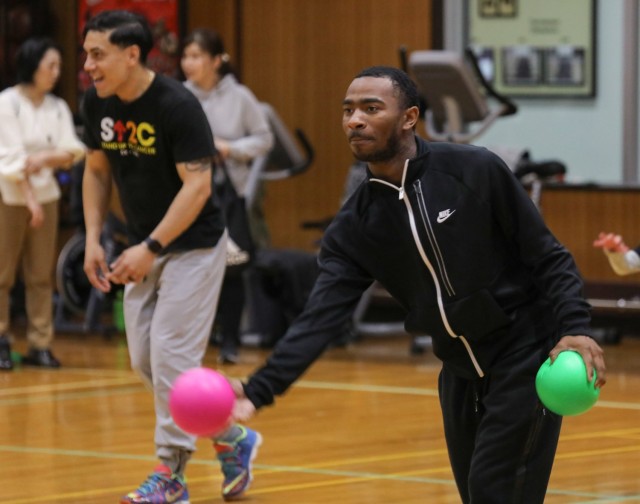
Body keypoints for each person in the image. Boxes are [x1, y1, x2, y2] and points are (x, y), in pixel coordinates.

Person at [229, 66, 607, 503]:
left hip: (524, 354)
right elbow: (319, 319)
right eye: (348, 110)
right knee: (474, 493)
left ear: (409, 117)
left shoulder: (474, 170)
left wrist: (575, 327)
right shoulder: (354, 227)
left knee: (495, 491)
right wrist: (260, 388)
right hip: (459, 372)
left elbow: (547, 254)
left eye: (371, 108)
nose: (355, 120)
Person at [80, 11, 260, 503]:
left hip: (194, 248)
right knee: (147, 361)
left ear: (132, 54)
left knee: (172, 357)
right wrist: (95, 237)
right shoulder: (95, 104)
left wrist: (151, 247)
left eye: (98, 54)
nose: (88, 65)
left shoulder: (176, 106)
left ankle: (171, 474)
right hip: (142, 246)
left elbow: (198, 186)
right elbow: (96, 171)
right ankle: (230, 436)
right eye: (86, 54)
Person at [180, 28, 274, 364]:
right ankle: (197, 340)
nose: (188, 64)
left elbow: (264, 140)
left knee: (232, 265)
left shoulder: (240, 96)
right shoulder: (180, 95)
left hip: (229, 194)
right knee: (192, 264)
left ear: (217, 60)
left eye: (196, 56)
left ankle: (230, 341)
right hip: (190, 193)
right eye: (186, 56)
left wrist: (229, 148)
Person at [0, 36, 86, 371]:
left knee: (39, 274)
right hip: (8, 196)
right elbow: (11, 159)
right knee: (2, 274)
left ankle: (40, 342)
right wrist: (30, 199)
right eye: (50, 65)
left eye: (58, 66)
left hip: (46, 196)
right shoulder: (7, 103)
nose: (56, 72)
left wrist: (46, 157)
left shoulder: (57, 107)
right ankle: (2, 338)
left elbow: (72, 152)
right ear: (32, 65)